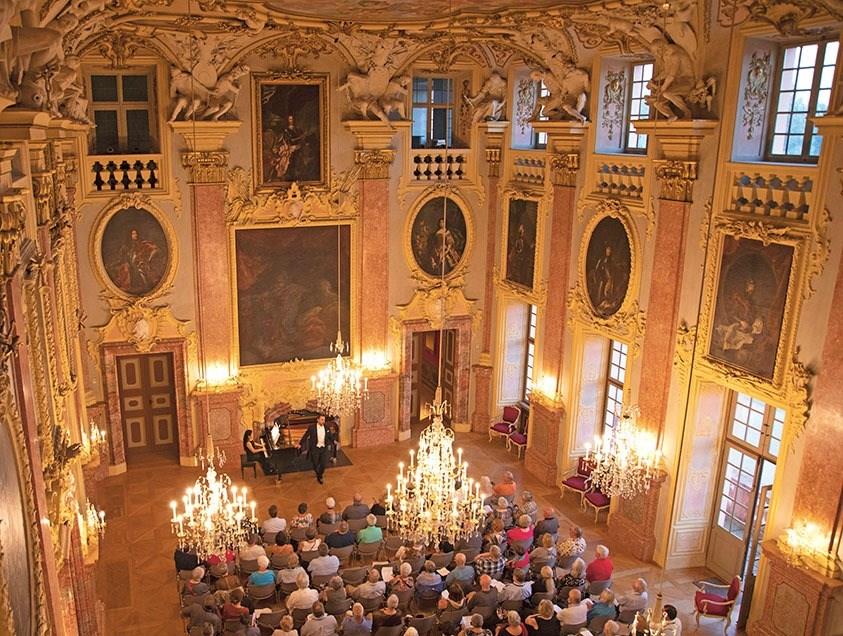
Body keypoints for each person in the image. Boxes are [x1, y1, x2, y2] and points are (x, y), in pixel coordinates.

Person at [299, 414, 335, 483]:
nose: (323, 421)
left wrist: (334, 441)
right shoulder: (312, 428)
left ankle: (320, 475)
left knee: (323, 464)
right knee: (315, 463)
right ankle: (318, 473)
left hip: (323, 448)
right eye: (322, 420)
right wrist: (300, 444)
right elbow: (305, 436)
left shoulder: (326, 428)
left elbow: (330, 436)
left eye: (324, 420)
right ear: (317, 420)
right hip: (315, 448)